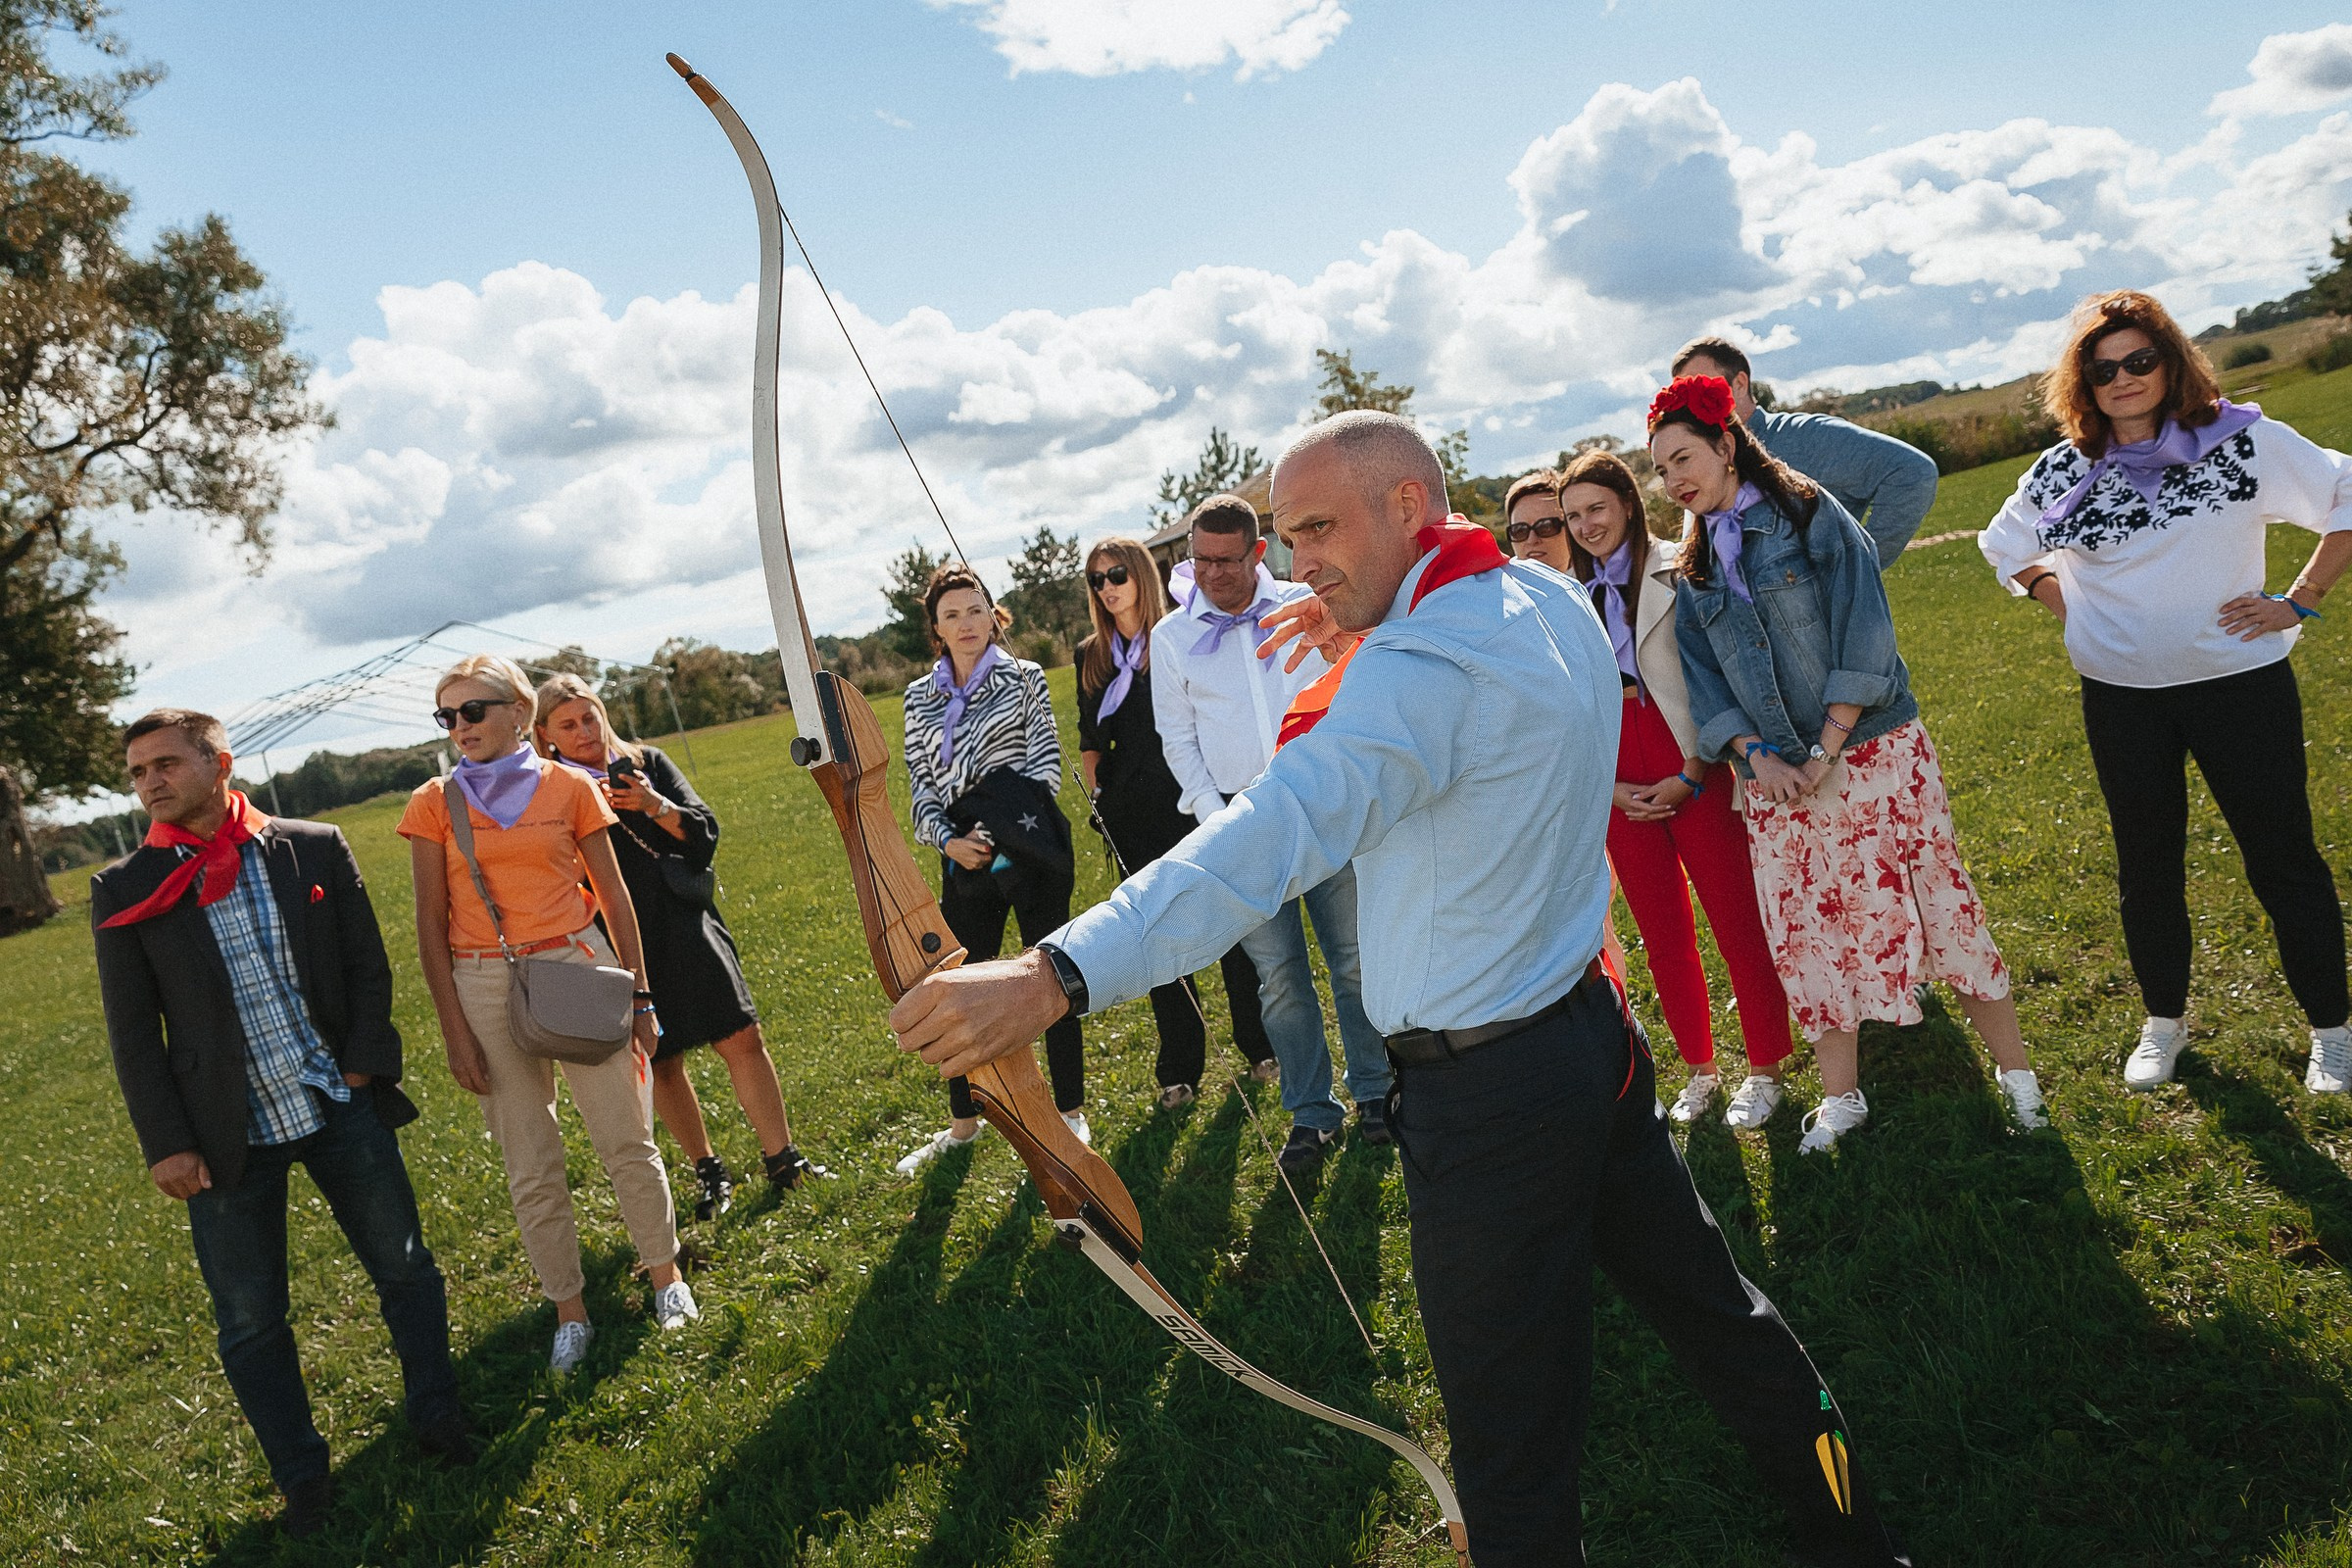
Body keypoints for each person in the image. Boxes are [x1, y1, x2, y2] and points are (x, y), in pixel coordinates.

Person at [888, 411, 1915, 1567]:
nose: (1297, 565)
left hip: (1489, 1097)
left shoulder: (1418, 672)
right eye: (1287, 537)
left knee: (1509, 1456)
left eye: (1318, 529)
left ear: (1407, 508)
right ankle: (1863, 1548)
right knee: (1725, 1320)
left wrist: (1054, 972)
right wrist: (1370, 624)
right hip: (1593, 1042)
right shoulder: (1543, 598)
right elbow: (1459, 671)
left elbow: (1261, 840)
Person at [92, 709, 471, 1539]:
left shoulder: (312, 846)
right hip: (222, 1133)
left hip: (335, 1101)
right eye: (138, 772)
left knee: (406, 1269)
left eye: (166, 764)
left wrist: (364, 1063)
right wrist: (167, 1144)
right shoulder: (123, 887)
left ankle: (438, 1414)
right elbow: (133, 1033)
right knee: (251, 1320)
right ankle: (302, 1479)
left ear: (219, 763)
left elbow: (367, 966)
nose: (150, 782)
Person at [1653, 374, 2046, 1152]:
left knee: (1940, 906)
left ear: (1727, 445)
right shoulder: (1695, 565)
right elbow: (1705, 681)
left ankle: (2019, 1080)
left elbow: (1865, 629)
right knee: (1808, 933)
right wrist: (1758, 756)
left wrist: (1823, 748)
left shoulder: (1808, 513)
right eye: (1662, 470)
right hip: (1776, 784)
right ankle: (1842, 1098)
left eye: (1683, 459)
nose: (1673, 481)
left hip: (1872, 753)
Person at [1980, 288, 2352, 1095]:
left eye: (2139, 360)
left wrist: (2301, 599)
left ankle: (2332, 1030)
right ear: (2083, 384)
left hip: (2240, 687)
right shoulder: (2064, 469)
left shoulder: (2240, 441)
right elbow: (2002, 544)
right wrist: (2068, 607)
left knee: (2282, 857)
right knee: (2146, 867)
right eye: (2102, 369)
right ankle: (2163, 1024)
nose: (2123, 378)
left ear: (2170, 361)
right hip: (2123, 701)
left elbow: (2345, 491)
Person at [399, 655, 697, 1376]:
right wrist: (454, 1033)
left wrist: (641, 996)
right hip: (482, 981)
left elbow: (614, 896)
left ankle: (667, 1277)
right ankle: (570, 1311)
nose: (459, 726)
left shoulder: (569, 786)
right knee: (531, 1163)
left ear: (518, 713)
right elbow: (429, 927)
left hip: (576, 966)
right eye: (447, 716)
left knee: (625, 1138)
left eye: (473, 710)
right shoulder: (433, 802)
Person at [1513, 456, 1797, 1128]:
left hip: (1693, 757)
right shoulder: (1559, 601)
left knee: (1735, 922)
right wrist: (1608, 789)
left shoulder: (1679, 568)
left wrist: (1694, 769)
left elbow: (1713, 674)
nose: (1585, 526)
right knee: (1663, 936)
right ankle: (1700, 1068)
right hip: (1614, 776)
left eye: (1595, 510)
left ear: (1628, 503)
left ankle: (1766, 1068)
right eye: (1572, 516)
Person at [1152, 492, 1387, 1171]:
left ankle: (1376, 1091)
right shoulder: (1172, 638)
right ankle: (1311, 1113)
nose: (1212, 574)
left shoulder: (1306, 604)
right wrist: (1216, 818)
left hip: (1322, 803)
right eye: (1201, 560)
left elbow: (1353, 688)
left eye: (1227, 561)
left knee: (1353, 959)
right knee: (1279, 978)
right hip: (1239, 820)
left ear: (1259, 553)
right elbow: (1178, 738)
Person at [533, 673, 820, 1215]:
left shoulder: (647, 763)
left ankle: (783, 1158)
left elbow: (704, 836)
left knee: (741, 1035)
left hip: (685, 922)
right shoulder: (550, 794)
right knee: (661, 1059)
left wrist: (652, 804)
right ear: (545, 735)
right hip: (617, 939)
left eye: (590, 716)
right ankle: (709, 1171)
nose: (584, 731)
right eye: (567, 725)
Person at [896, 563, 1089, 1174]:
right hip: (963, 859)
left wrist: (994, 828)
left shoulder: (1025, 677)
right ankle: (964, 1123)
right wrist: (949, 842)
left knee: (1053, 975)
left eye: (975, 609)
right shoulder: (918, 698)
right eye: (951, 614)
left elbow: (1046, 768)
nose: (966, 623)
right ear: (936, 627)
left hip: (1028, 847)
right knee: (956, 989)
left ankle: (1071, 1112)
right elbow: (921, 787)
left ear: (992, 614)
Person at [1074, 536, 1276, 1107]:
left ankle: (1259, 1046)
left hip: (1192, 799)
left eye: (1116, 574)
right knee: (1159, 937)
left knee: (1229, 925)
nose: (1107, 588)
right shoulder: (1091, 654)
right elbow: (1090, 739)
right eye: (1096, 580)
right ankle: (1179, 1069)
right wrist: (1098, 791)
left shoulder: (1179, 635)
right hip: (1131, 812)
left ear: (1141, 574)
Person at [1672, 336, 1939, 568]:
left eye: (1701, 389)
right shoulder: (1703, 464)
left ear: (1740, 384)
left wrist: (1859, 569)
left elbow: (1913, 471)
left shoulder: (1804, 436)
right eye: (1682, 396)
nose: (1691, 406)